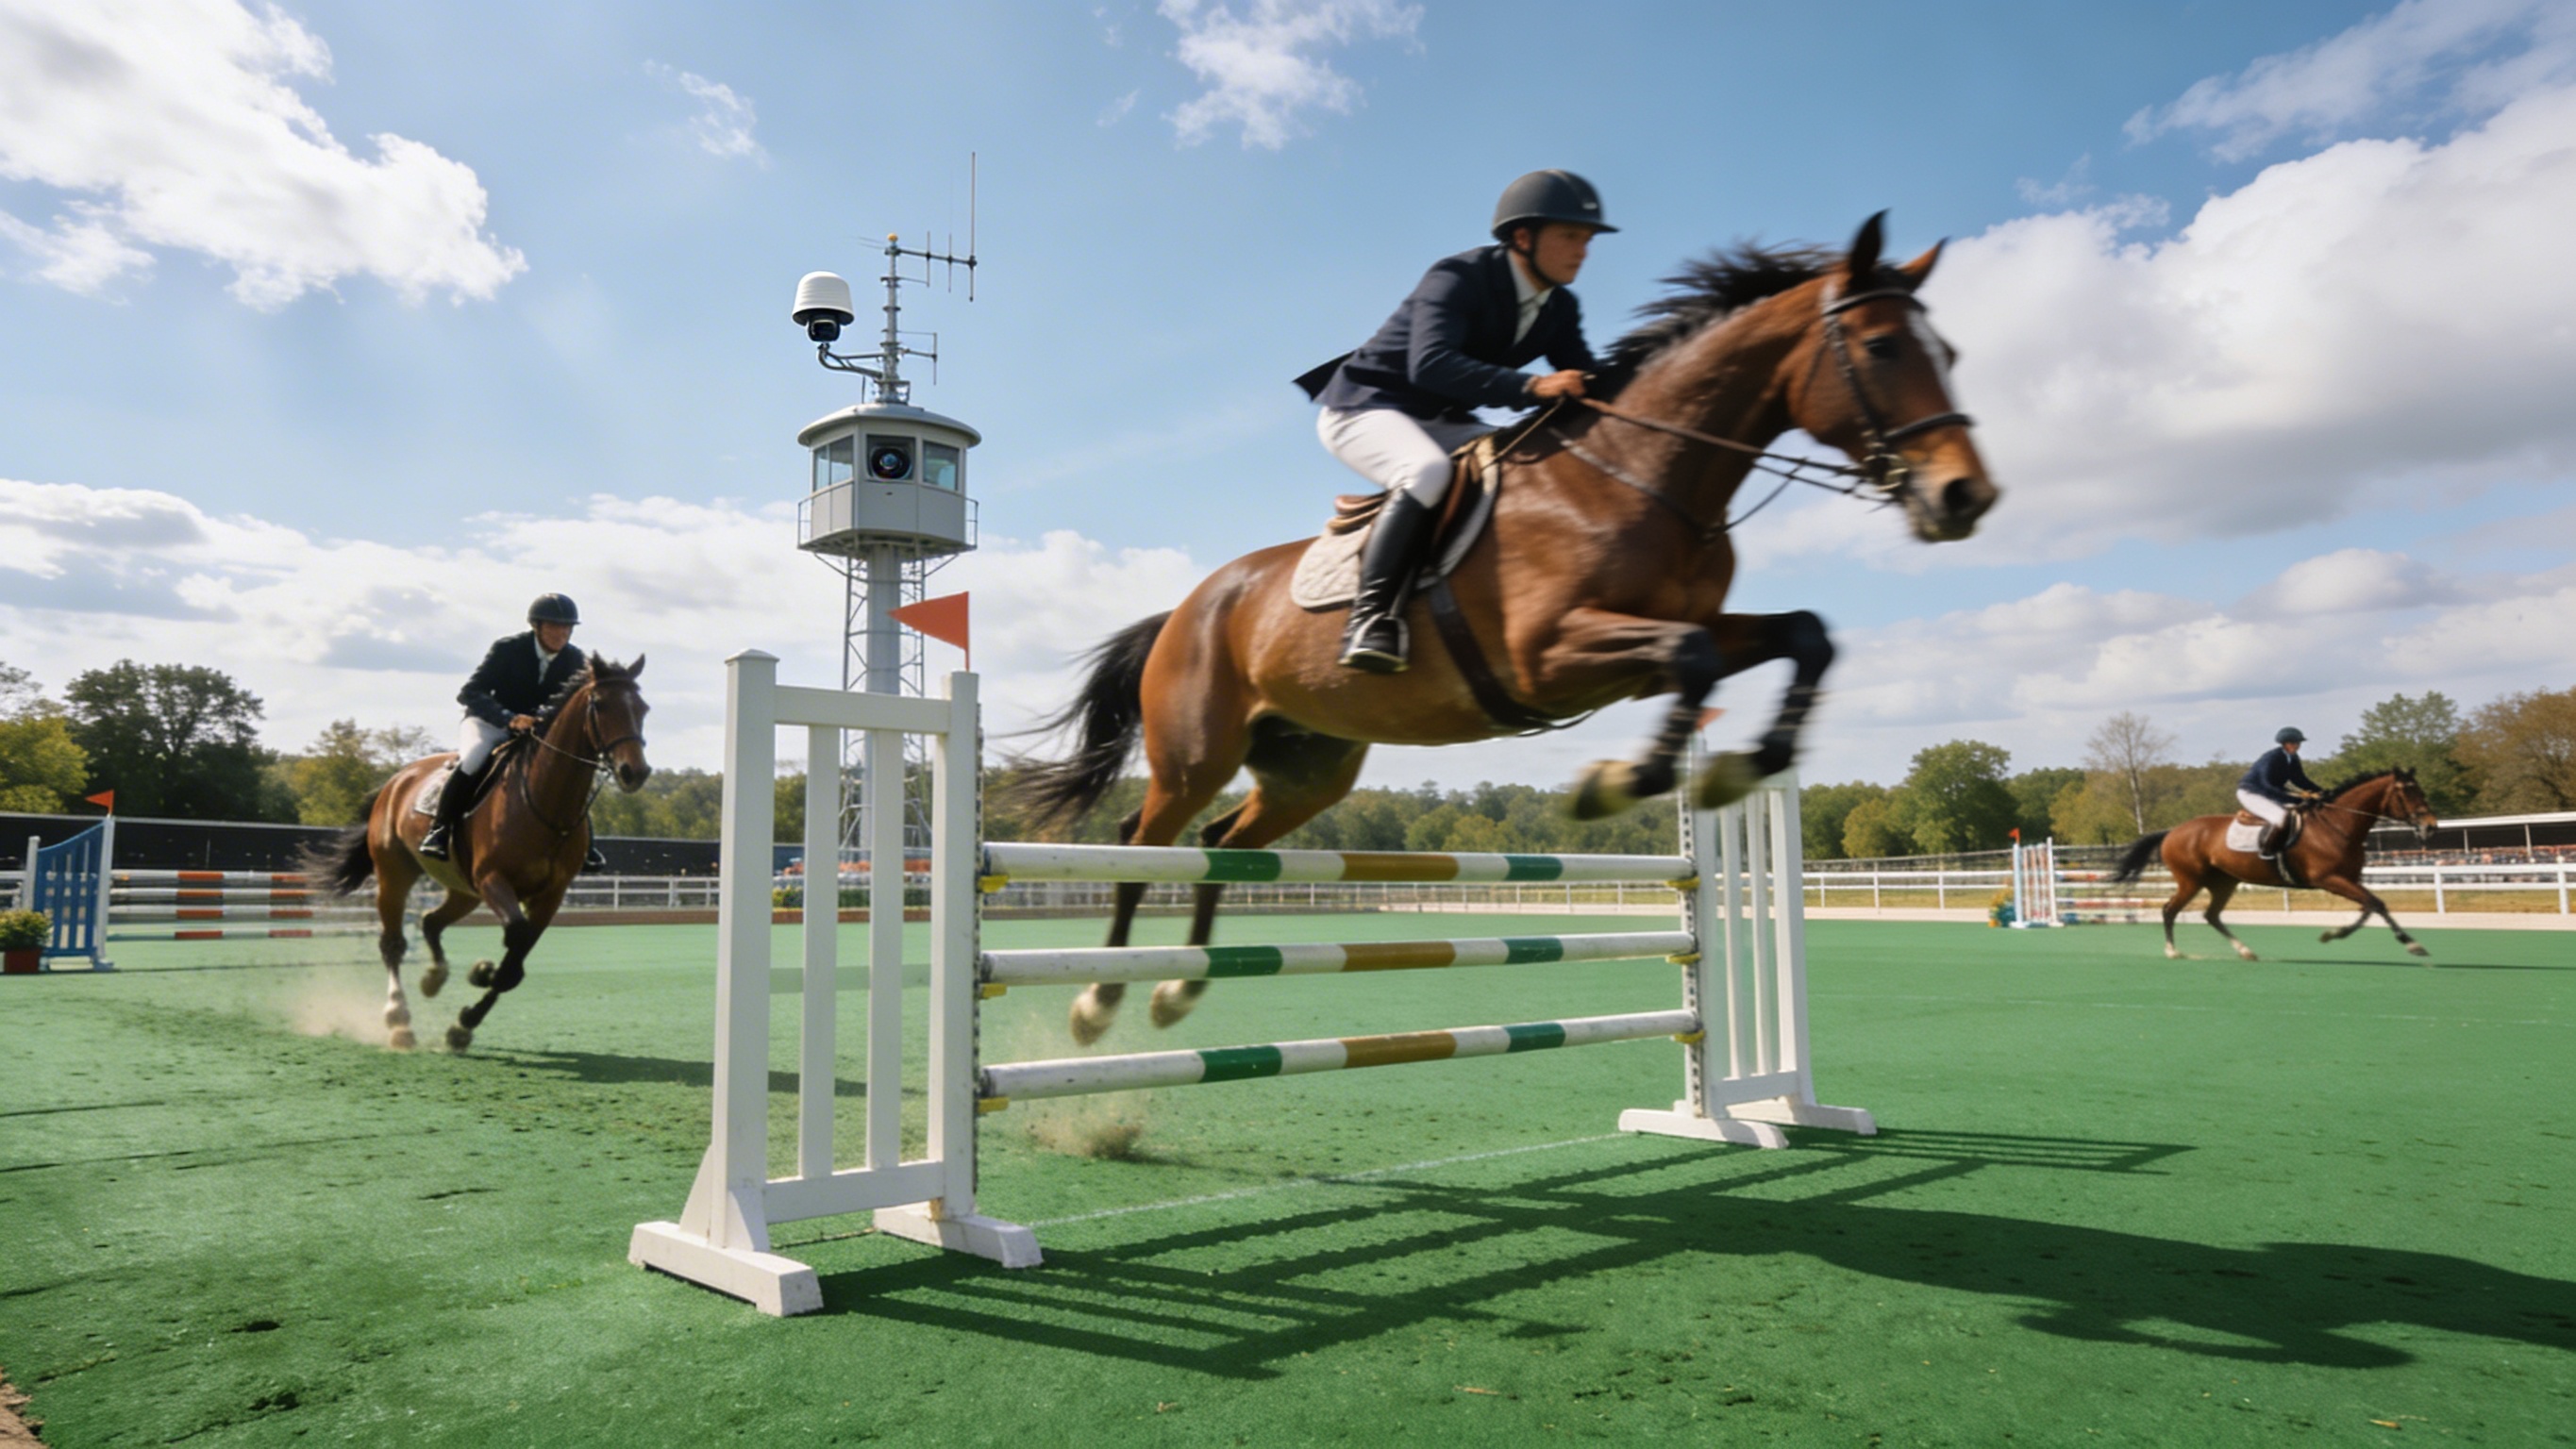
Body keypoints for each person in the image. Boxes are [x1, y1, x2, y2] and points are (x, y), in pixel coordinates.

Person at [1294, 169, 1614, 672]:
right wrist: (1531, 387)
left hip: (1441, 418)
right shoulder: (1458, 277)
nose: (1583, 251)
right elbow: (1432, 364)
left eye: (1588, 240)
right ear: (1523, 237)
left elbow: (1587, 376)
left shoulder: (1560, 306)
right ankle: (1371, 619)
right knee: (1425, 473)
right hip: (1365, 407)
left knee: (1530, 470)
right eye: (1570, 236)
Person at [421, 593, 592, 864]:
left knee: (568, 771)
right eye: (554, 626)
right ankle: (440, 830)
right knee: (474, 757)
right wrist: (508, 718)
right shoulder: (508, 649)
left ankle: (587, 846)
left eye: (567, 627)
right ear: (537, 626)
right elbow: (470, 692)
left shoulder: (575, 659)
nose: (562, 633)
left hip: (534, 732)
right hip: (488, 723)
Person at [2237, 726, 2324, 858]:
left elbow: (2300, 780)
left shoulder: (2292, 758)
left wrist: (2323, 792)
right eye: (2293, 743)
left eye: (2298, 743)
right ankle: (2267, 851)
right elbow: (2267, 785)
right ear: (2284, 744)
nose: (2297, 746)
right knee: (2281, 818)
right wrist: (2294, 799)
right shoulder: (2272, 758)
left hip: (2270, 791)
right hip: (2252, 792)